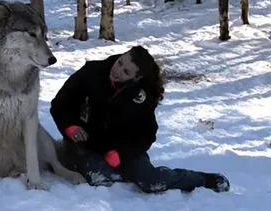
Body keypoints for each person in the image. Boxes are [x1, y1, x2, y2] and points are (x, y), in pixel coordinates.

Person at [50, 45, 230, 194]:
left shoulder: (143, 95)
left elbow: (146, 134)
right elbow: (59, 104)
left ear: (136, 78)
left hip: (122, 149)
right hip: (85, 146)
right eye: (120, 62)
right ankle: (115, 172)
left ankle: (204, 179)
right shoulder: (91, 72)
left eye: (126, 71)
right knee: (102, 179)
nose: (117, 70)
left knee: (150, 182)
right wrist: (69, 126)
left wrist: (122, 153)